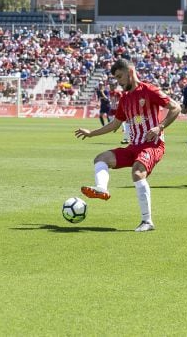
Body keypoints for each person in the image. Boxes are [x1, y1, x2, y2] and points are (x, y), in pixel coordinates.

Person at [74, 58, 181, 232]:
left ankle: (147, 221)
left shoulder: (149, 90)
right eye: (116, 78)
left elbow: (175, 108)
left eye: (120, 77)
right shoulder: (124, 99)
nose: (119, 82)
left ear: (130, 72)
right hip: (133, 147)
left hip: (152, 145)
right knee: (101, 158)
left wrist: (159, 127)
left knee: (138, 171)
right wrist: (91, 133)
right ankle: (102, 189)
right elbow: (115, 125)